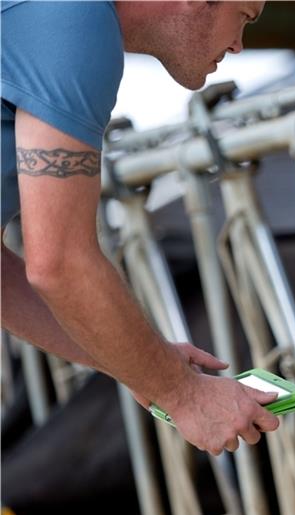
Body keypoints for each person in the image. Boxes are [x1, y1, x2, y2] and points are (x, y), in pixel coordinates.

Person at [1, 1, 277, 456]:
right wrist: (182, 395)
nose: (238, 45)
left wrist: (144, 362)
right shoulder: (75, 20)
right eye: (244, 15)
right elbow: (61, 265)